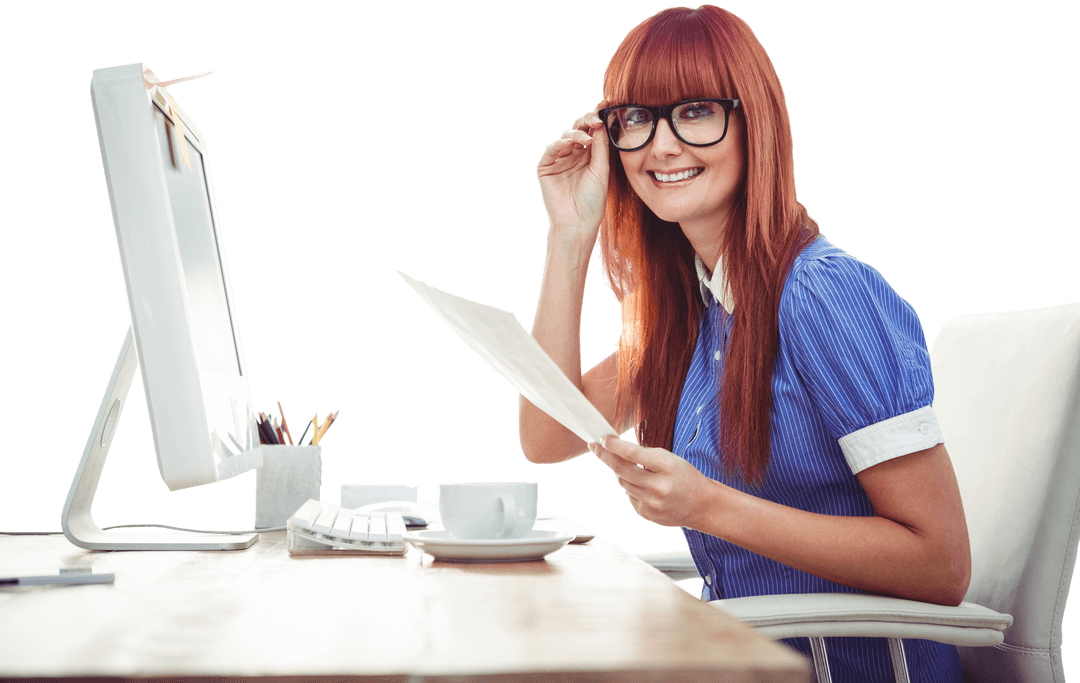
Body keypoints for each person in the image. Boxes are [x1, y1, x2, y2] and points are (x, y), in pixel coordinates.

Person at [517, 5, 971, 681]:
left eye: (695, 111)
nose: (662, 145)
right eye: (636, 118)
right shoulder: (693, 309)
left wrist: (708, 506)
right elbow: (548, 435)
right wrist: (569, 233)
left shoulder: (825, 295)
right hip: (742, 661)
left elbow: (941, 564)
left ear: (752, 124)